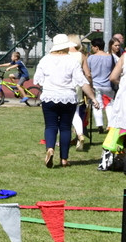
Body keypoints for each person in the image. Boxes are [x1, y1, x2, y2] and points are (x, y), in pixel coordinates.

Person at [34, 34, 100, 168]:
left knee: (51, 126)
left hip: (49, 97)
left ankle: (50, 149)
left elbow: (37, 80)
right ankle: (64, 159)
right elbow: (82, 82)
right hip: (68, 97)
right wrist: (93, 98)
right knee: (65, 128)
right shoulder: (71, 61)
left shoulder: (45, 60)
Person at [88, 37, 115, 132]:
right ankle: (111, 125)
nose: (92, 48)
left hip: (95, 85)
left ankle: (100, 124)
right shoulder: (110, 57)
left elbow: (88, 72)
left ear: (96, 47)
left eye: (92, 47)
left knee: (97, 104)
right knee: (109, 105)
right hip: (108, 85)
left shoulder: (91, 58)